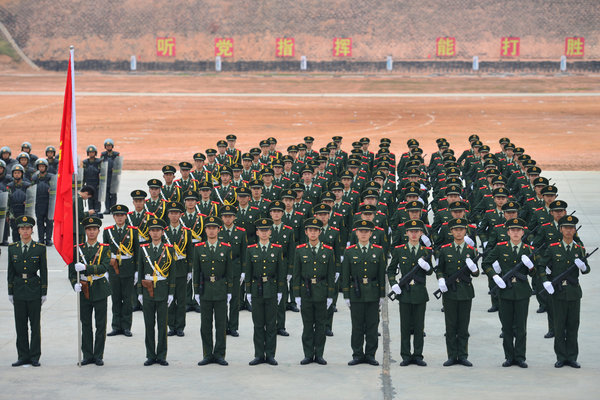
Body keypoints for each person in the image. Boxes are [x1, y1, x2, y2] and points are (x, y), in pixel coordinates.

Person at [538, 215, 591, 368]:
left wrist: (583, 267)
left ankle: (572, 357)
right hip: (558, 293)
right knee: (559, 326)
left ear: (575, 230)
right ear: (560, 229)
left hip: (574, 292)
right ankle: (561, 356)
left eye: (571, 228)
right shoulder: (553, 248)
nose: (568, 230)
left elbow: (586, 269)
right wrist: (545, 281)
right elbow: (541, 265)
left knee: (573, 325)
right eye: (566, 227)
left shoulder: (579, 249)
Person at [482, 218, 535, 368]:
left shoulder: (527, 249)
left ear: (523, 232)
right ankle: (509, 357)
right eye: (513, 230)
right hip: (505, 291)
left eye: (518, 230)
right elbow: (485, 263)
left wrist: (531, 266)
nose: (516, 233)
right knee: (506, 327)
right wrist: (495, 276)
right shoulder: (500, 248)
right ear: (508, 232)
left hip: (522, 292)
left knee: (521, 327)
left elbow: (535, 272)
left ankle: (520, 357)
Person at [388, 219, 433, 366]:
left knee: (419, 326)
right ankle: (406, 355)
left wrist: (426, 266)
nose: (414, 234)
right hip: (405, 293)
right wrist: (394, 284)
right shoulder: (399, 250)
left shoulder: (426, 251)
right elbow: (391, 270)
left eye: (417, 231)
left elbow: (431, 271)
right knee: (405, 326)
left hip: (420, 292)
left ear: (421, 233)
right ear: (406, 233)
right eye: (411, 231)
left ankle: (418, 355)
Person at [436, 218, 479, 367]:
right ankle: (451, 355)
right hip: (450, 292)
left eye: (461, 229)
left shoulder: (472, 250)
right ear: (451, 231)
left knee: (463, 326)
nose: (459, 232)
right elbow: (439, 269)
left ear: (465, 231)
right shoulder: (445, 249)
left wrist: (474, 269)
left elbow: (476, 273)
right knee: (450, 325)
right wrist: (441, 279)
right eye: (456, 229)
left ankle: (463, 355)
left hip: (466, 292)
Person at [342, 220, 386, 366]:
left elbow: (381, 275)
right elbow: (345, 275)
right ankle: (357, 354)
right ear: (356, 233)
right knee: (357, 326)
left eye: (366, 231)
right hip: (356, 292)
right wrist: (346, 295)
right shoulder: (349, 252)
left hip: (373, 293)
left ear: (371, 233)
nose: (363, 234)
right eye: (361, 231)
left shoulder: (378, 251)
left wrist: (382, 295)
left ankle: (370, 355)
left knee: (372, 326)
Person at [69, 216, 111, 366]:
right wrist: (75, 283)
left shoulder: (105, 248)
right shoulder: (78, 249)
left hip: (100, 289)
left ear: (98, 231)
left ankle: (98, 355)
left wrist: (87, 268)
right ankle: (87, 354)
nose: (91, 232)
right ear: (85, 231)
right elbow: (72, 271)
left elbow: (104, 267)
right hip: (84, 289)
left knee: (100, 324)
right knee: (85, 324)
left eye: (94, 229)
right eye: (88, 229)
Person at [292, 217, 335, 365]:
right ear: (306, 232)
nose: (313, 233)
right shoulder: (300, 250)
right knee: (308, 325)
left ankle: (320, 354)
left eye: (316, 230)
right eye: (310, 230)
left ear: (320, 232)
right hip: (306, 292)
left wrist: (331, 296)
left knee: (321, 325)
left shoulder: (328, 251)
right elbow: (296, 274)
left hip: (322, 292)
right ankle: (308, 354)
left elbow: (331, 276)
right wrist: (296, 295)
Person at [7, 216, 47, 367]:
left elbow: (44, 271)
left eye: (27, 228)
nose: (25, 231)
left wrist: (44, 291)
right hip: (18, 289)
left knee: (35, 325)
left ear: (32, 230)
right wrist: (10, 291)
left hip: (34, 288)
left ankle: (35, 356)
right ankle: (23, 355)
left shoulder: (40, 248)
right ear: (18, 231)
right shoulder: (13, 248)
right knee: (20, 325)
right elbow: (10, 271)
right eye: (22, 229)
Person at [245, 218, 286, 366]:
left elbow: (281, 272)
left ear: (270, 232)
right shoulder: (251, 249)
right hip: (256, 289)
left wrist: (280, 291)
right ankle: (258, 354)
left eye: (266, 230)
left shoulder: (277, 249)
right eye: (261, 230)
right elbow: (248, 272)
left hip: (271, 289)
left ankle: (270, 354)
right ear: (257, 232)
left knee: (271, 324)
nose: (264, 233)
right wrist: (248, 291)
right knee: (258, 324)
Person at [194, 216, 233, 366]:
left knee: (221, 324)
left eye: (214, 228)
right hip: (205, 290)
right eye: (209, 228)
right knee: (205, 324)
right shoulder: (198, 248)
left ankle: (220, 354)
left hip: (220, 289)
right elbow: (196, 270)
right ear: (205, 230)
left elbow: (229, 271)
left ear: (218, 230)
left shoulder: (226, 248)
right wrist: (196, 291)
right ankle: (207, 354)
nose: (211, 231)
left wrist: (229, 290)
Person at [137, 218, 175, 366]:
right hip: (147, 291)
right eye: (152, 230)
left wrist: (171, 292)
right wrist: (139, 292)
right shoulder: (143, 249)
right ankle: (150, 355)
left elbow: (172, 272)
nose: (155, 233)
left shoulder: (169, 249)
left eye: (158, 230)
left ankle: (162, 355)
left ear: (162, 232)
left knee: (162, 325)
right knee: (149, 324)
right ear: (149, 232)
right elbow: (140, 271)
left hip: (163, 289)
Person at [103, 204, 138, 337]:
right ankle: (116, 326)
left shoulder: (132, 231)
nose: (119, 218)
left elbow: (137, 251)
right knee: (115, 299)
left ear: (125, 216)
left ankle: (126, 326)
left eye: (122, 215)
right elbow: (105, 251)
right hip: (113, 268)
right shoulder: (108, 232)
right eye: (117, 215)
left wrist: (136, 271)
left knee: (127, 299)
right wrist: (106, 269)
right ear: (113, 217)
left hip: (128, 268)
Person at [218, 205, 247, 337]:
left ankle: (233, 326)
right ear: (222, 218)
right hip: (221, 270)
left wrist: (243, 271)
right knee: (223, 300)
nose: (227, 218)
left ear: (234, 217)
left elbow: (244, 253)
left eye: (230, 216)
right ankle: (223, 326)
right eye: (225, 216)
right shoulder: (217, 231)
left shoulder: (241, 232)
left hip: (235, 269)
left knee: (235, 299)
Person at [164, 202, 193, 337]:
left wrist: (190, 270)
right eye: (172, 213)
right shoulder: (163, 232)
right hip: (167, 269)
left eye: (176, 213)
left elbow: (190, 252)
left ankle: (180, 326)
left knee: (181, 300)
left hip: (181, 269)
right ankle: (171, 326)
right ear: (168, 215)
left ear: (180, 215)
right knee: (169, 299)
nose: (174, 216)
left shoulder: (186, 232)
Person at [31, 159, 55, 246]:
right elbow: (31, 189)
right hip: (39, 202)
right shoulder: (35, 178)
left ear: (46, 167)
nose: (41, 168)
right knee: (40, 221)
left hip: (49, 202)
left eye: (43, 166)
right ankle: (41, 239)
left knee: (49, 221)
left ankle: (48, 239)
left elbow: (56, 188)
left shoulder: (51, 177)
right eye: (39, 167)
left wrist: (52, 189)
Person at [101, 138, 120, 212]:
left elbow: (118, 164)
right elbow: (101, 164)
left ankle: (113, 208)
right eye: (107, 146)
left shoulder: (116, 154)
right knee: (106, 193)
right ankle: (107, 208)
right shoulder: (103, 154)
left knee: (113, 194)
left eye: (109, 145)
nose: (108, 147)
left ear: (112, 146)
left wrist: (115, 169)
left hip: (113, 177)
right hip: (106, 176)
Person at [82, 145, 102, 214]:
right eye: (90, 152)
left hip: (96, 183)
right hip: (88, 184)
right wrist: (82, 184)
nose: (91, 154)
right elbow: (83, 174)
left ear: (95, 153)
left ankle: (97, 211)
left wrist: (101, 184)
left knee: (96, 199)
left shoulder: (99, 162)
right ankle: (91, 212)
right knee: (90, 199)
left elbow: (102, 173)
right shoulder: (85, 163)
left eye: (92, 152)